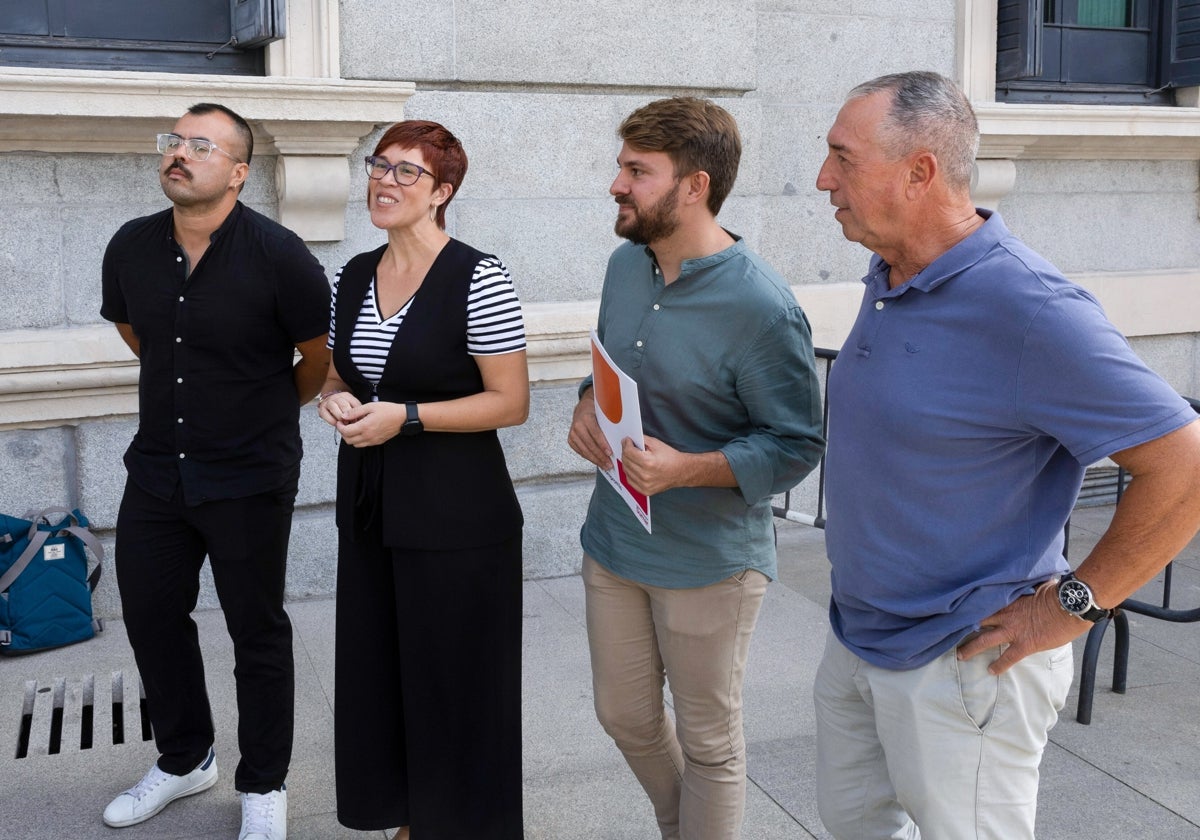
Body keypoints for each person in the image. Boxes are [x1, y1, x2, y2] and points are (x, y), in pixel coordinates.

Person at [813, 70, 1200, 840]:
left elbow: (1184, 466)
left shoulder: (1031, 309)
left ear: (920, 171)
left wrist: (1072, 608)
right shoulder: (894, 272)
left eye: (843, 158)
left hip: (964, 662)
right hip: (858, 637)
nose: (823, 178)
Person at [567, 97, 825, 840]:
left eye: (638, 171)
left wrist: (688, 469)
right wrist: (587, 401)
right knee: (624, 715)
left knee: (710, 741)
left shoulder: (761, 306)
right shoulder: (626, 266)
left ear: (694, 186)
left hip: (711, 563)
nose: (617, 184)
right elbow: (612, 360)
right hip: (615, 541)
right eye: (621, 166)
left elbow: (797, 443)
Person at [99, 103, 332, 840]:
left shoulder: (280, 254)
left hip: (250, 475)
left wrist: (255, 411)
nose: (180, 153)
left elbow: (318, 361)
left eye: (202, 145)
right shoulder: (131, 246)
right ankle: (183, 759)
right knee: (150, 617)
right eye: (174, 140)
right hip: (157, 474)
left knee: (254, 630)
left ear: (237, 172)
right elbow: (139, 334)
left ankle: (263, 783)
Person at [315, 120, 529, 840]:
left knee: (455, 685)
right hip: (373, 509)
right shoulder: (351, 275)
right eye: (379, 164)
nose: (384, 180)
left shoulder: (480, 276)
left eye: (407, 172)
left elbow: (510, 401)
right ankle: (407, 820)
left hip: (457, 518)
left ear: (442, 192)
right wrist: (334, 398)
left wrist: (406, 418)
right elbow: (340, 374)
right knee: (383, 675)